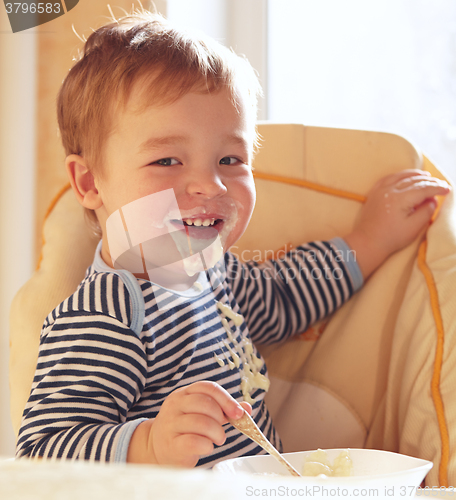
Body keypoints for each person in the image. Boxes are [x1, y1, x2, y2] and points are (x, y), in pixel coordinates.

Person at [15, 9, 450, 469]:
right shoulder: (109, 309)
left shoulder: (210, 271)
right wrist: (149, 444)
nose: (212, 185)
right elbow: (45, 451)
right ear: (89, 183)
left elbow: (284, 296)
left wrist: (372, 239)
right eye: (167, 161)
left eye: (230, 159)